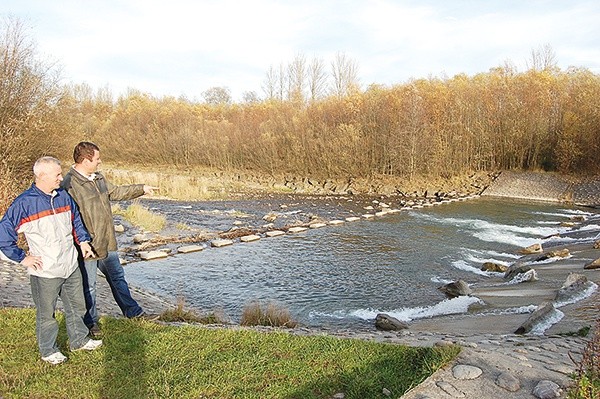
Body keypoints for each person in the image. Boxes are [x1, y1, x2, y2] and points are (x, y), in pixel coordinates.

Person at [0, 156, 102, 365]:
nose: (61, 177)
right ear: (42, 176)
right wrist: (22, 258)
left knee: (77, 306)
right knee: (47, 314)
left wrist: (83, 242)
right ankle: (48, 350)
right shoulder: (24, 203)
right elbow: (4, 236)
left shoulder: (63, 196)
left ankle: (79, 340)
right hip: (45, 271)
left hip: (70, 265)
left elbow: (76, 220)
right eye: (57, 174)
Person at [61, 141, 158, 336]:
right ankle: (90, 323)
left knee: (118, 278)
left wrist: (142, 188)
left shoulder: (99, 179)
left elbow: (116, 192)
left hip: (106, 242)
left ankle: (134, 313)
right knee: (89, 286)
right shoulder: (69, 184)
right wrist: (80, 242)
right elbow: (67, 218)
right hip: (86, 245)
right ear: (86, 160)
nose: (100, 161)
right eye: (97, 158)